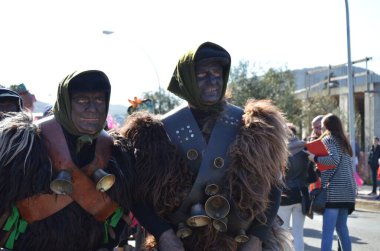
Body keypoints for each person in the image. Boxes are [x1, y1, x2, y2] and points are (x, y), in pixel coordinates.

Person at [120, 41, 293, 250]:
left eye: (217, 74)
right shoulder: (157, 133)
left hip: (241, 243)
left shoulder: (254, 126)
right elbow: (139, 196)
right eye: (202, 75)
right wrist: (163, 234)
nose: (212, 81)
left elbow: (273, 187)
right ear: (187, 80)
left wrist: (257, 238)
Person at [0, 70, 132, 251]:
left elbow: (119, 212)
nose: (92, 108)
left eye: (99, 100)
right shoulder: (22, 143)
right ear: (65, 102)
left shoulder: (113, 150)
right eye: (82, 100)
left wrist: (107, 246)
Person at [307, 113, 356, 251]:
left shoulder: (329, 139)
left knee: (328, 231)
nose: (321, 129)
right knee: (342, 229)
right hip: (348, 192)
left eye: (322, 126)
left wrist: (314, 158)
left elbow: (333, 161)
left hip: (334, 192)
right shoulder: (344, 143)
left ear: (327, 127)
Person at [278, 123, 317, 251]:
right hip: (302, 195)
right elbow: (313, 177)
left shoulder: (280, 152)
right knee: (298, 233)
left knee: (283, 233)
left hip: (284, 195)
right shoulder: (305, 149)